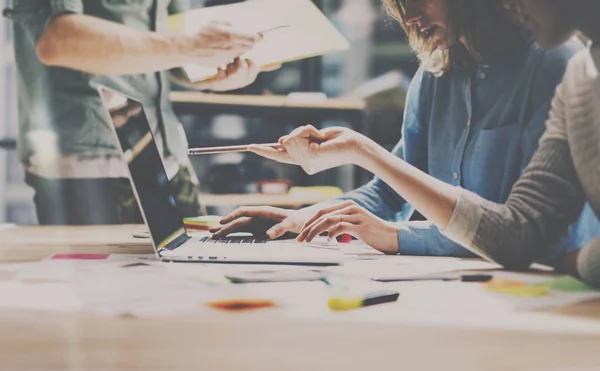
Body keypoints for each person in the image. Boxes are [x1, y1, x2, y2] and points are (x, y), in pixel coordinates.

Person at [240, 0, 600, 287]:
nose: (410, 16)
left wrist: (396, 235)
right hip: (467, 286)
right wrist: (304, 219)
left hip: (542, 287)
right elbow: (392, 193)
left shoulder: (558, 64)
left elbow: (530, 235)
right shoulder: (435, 75)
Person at [3, 0, 276, 225]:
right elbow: (57, 39)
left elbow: (173, 45)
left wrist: (214, 72)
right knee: (102, 287)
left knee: (196, 274)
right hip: (90, 159)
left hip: (166, 152)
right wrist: (190, 46)